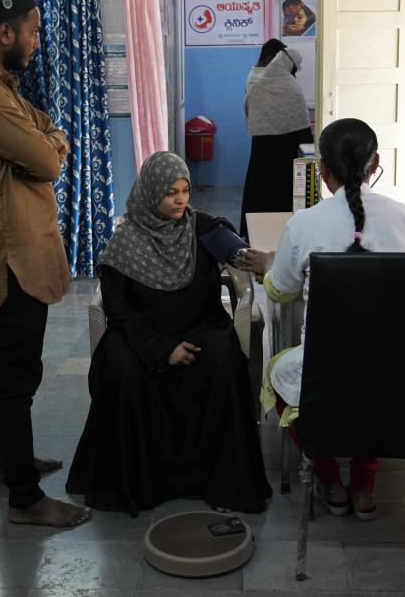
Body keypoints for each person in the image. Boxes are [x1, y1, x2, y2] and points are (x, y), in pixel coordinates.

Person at [240, 119, 405, 520]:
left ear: (322, 168)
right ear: (375, 166)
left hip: (327, 377)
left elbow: (278, 291)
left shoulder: (303, 224)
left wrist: (269, 265)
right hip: (404, 382)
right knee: (375, 374)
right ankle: (364, 484)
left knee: (280, 371)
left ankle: (328, 479)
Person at [0, 0, 90, 528]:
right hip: (11, 254)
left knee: (14, 364)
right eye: (31, 31)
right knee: (13, 370)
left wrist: (47, 141)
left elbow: (50, 132)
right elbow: (51, 158)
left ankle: (11, 463)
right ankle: (26, 500)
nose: (37, 40)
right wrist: (49, 146)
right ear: (4, 31)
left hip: (19, 248)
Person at [66, 152, 272, 517]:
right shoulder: (125, 243)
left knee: (224, 360)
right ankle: (140, 487)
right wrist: (161, 349)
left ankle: (223, 483)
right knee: (121, 369)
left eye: (185, 190)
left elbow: (234, 249)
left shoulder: (203, 228)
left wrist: (252, 257)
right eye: (170, 193)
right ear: (149, 194)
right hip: (141, 336)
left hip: (200, 327)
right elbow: (120, 312)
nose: (180, 200)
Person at [241, 46, 313, 238]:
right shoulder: (292, 88)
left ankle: (255, 235)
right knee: (282, 197)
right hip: (285, 155)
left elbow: (249, 114)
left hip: (262, 153)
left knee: (259, 194)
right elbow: (302, 128)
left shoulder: (257, 86)